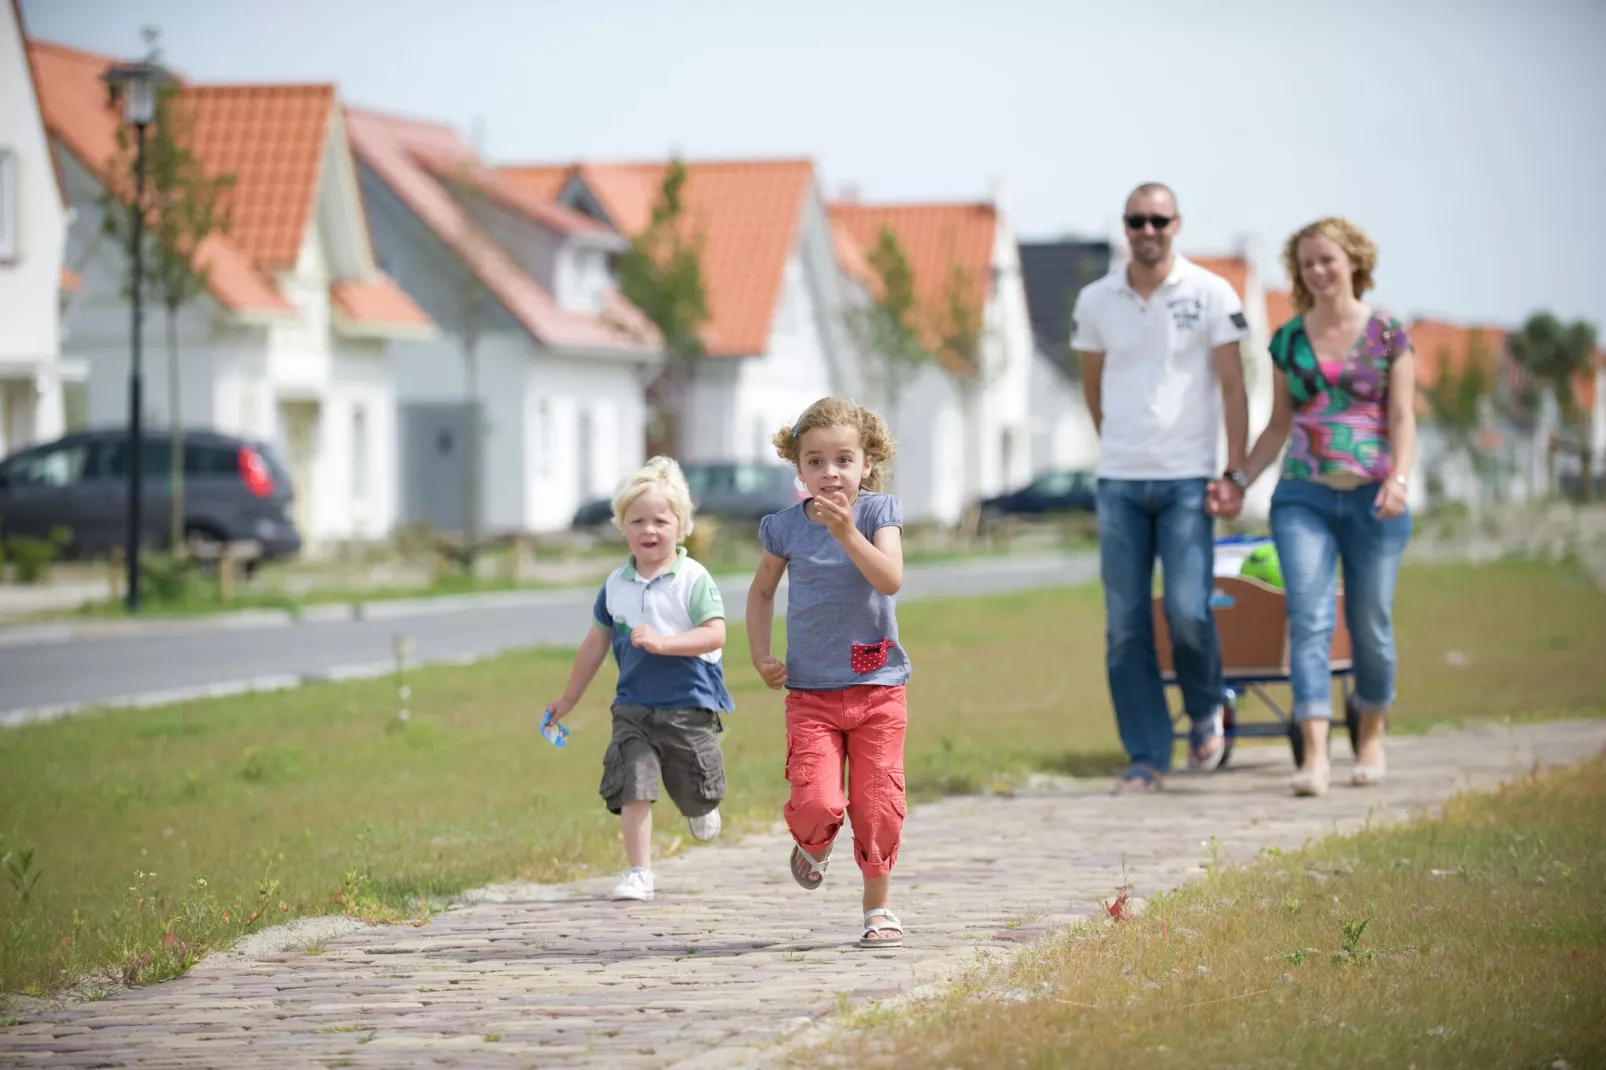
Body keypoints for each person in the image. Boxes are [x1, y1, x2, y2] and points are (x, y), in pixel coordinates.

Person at [1070, 182, 1252, 793]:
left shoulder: (1211, 292)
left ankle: (1205, 707)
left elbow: (1234, 387)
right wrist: (1119, 445)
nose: (1147, 230)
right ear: (1124, 227)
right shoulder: (1096, 300)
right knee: (1125, 627)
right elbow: (1092, 387)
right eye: (1136, 220)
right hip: (1120, 480)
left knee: (1187, 611)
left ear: (1177, 224)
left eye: (1158, 220)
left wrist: (1235, 472)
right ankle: (1147, 756)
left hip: (1187, 480)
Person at [1233, 217, 1416, 796]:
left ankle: (1370, 734)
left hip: (1374, 499)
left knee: (1371, 624)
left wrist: (1400, 479)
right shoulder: (1288, 339)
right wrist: (1238, 480)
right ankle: (1314, 756)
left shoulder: (1388, 334)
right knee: (1309, 619)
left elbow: (1402, 416)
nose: (1317, 271)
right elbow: (1277, 426)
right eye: (1307, 262)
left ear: (1353, 261)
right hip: (1302, 498)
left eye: (1327, 260)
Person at [746, 397, 909, 948]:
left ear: (867, 463)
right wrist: (761, 654)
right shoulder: (784, 528)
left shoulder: (879, 513)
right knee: (819, 803)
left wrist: (847, 534)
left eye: (843, 459)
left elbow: (890, 579)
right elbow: (761, 592)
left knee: (878, 805)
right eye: (815, 461)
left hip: (878, 687)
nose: (830, 472)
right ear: (799, 468)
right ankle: (813, 841)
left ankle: (877, 908)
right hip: (811, 694)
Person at [546, 456, 733, 901]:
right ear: (622, 527)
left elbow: (716, 633)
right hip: (633, 707)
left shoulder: (693, 578)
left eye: (660, 521)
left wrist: (665, 643)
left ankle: (700, 805)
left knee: (697, 790)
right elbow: (594, 645)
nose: (649, 530)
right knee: (634, 784)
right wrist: (568, 699)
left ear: (681, 526)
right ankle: (638, 873)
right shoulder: (615, 585)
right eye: (637, 521)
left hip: (689, 704)